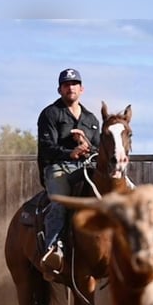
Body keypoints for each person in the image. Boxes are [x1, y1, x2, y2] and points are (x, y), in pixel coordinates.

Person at [37, 68, 101, 274]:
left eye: (74, 84)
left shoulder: (91, 120)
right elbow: (46, 146)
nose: (70, 88)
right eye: (66, 85)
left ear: (82, 89)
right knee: (61, 202)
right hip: (57, 168)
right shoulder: (50, 114)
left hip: (85, 168)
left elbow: (100, 150)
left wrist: (86, 144)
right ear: (59, 89)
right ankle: (52, 249)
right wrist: (70, 152)